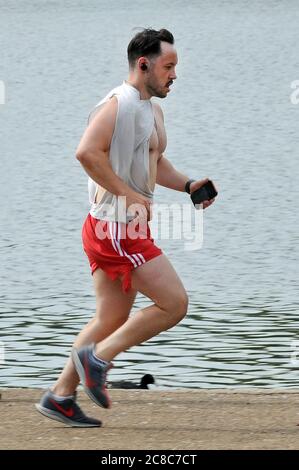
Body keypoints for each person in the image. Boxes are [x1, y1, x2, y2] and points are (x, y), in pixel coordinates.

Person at [35, 28, 216, 427]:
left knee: (110, 319)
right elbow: (86, 152)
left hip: (119, 227)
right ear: (143, 64)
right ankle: (97, 360)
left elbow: (153, 159)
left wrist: (188, 184)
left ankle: (60, 396)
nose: (174, 75)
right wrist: (128, 195)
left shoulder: (150, 108)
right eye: (168, 67)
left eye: (176, 67)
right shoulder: (119, 105)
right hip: (115, 228)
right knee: (174, 303)